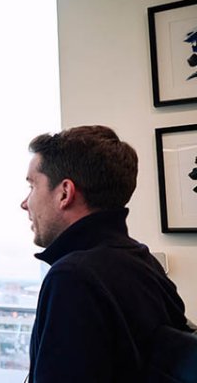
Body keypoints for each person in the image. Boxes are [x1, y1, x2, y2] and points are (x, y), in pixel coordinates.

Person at [20, 125, 189, 382]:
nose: (25, 203)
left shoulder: (73, 277)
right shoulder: (143, 262)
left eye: (32, 186)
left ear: (64, 193)